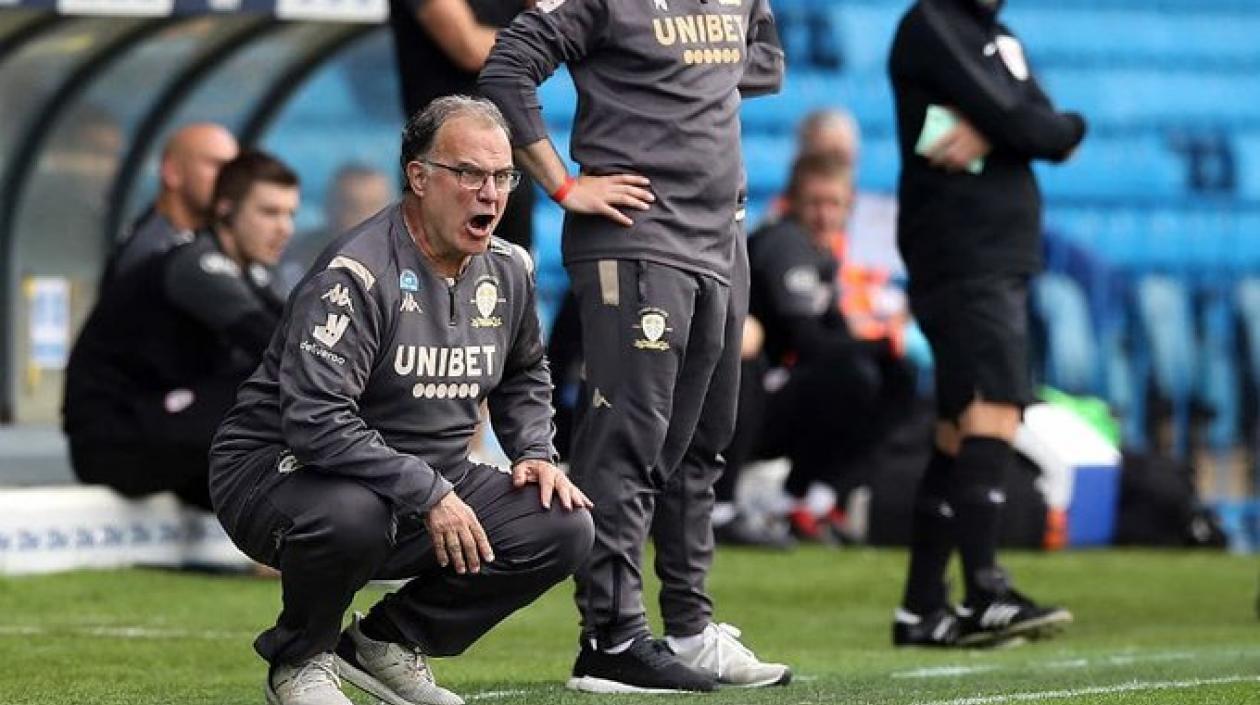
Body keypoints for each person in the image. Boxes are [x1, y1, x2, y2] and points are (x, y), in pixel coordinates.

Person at [208, 96, 594, 705]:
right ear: (419, 176)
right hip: (278, 474)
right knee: (352, 513)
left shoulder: (510, 270)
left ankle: (384, 642)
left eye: (502, 176)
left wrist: (536, 452)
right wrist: (430, 490)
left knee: (561, 523)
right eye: (469, 173)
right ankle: (300, 659)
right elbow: (316, 420)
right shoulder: (356, 275)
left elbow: (523, 373)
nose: (490, 193)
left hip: (422, 478)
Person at [481, 0, 790, 693]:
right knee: (629, 439)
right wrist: (562, 183)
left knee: (703, 439)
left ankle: (688, 625)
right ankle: (611, 637)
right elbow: (506, 69)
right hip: (639, 238)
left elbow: (762, 66)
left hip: (719, 233)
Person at [888, 0, 1085, 647]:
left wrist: (1033, 126)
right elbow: (1023, 121)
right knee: (994, 408)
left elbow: (1049, 126)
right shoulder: (932, 23)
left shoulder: (998, 36)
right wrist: (1018, 127)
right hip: (963, 252)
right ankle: (984, 590)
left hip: (991, 255)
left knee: (957, 428)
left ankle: (922, 606)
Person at [63, 150, 298, 510]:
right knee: (269, 391)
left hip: (165, 426)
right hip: (113, 440)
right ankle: (288, 528)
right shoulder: (196, 265)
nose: (284, 228)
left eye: (290, 214)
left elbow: (301, 334)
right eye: (269, 212)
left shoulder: (253, 272)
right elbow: (283, 348)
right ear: (225, 209)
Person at [726, 154, 917, 546]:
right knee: (851, 376)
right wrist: (881, 343)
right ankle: (735, 506)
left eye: (834, 204)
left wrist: (883, 348)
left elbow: (835, 332)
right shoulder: (785, 244)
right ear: (793, 201)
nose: (824, 214)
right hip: (737, 397)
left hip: (770, 393)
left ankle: (817, 499)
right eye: (815, 202)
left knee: (899, 373)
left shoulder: (821, 255)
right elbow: (808, 341)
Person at [388, 0, 534, 251]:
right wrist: (542, 38)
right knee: (433, 268)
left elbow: (557, 13)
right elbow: (469, 47)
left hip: (507, 150)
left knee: (506, 269)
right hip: (444, 157)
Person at [105, 122, 239, 283]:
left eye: (233, 169)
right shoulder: (151, 251)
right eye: (216, 165)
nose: (229, 178)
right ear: (172, 172)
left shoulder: (216, 242)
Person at [280, 163, 394, 291]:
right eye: (354, 207)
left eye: (374, 206)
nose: (366, 217)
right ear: (330, 209)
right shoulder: (295, 263)